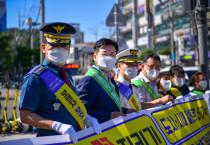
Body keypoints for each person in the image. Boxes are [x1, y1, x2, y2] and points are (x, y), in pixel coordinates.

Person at [19, 22, 101, 144]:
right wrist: (55, 125)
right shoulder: (35, 77)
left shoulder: (66, 74)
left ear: (69, 49)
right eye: (54, 45)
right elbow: (25, 116)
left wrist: (86, 118)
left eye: (63, 46)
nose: (59, 49)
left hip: (74, 138)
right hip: (50, 140)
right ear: (44, 48)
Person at [77, 38, 137, 124]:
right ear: (95, 57)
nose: (108, 57)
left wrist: (126, 111)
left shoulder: (110, 79)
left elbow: (109, 107)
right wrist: (109, 116)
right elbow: (81, 111)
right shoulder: (89, 80)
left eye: (112, 54)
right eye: (104, 54)